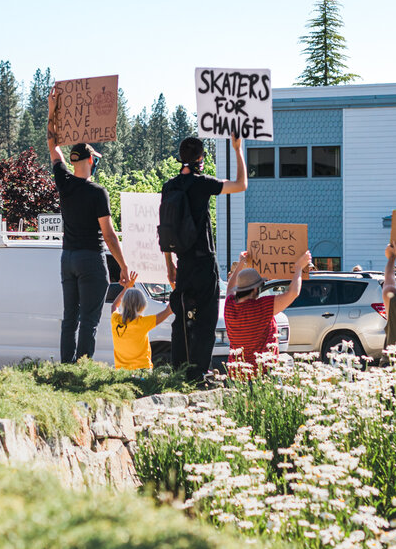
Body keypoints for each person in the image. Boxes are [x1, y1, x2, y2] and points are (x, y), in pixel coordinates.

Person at [46, 87, 128, 364]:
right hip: (91, 258)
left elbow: (52, 144)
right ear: (91, 160)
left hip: (67, 257)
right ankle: (81, 370)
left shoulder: (64, 182)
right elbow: (109, 233)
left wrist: (52, 109)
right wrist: (124, 265)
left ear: (73, 161)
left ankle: (65, 366)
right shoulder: (97, 192)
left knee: (70, 318)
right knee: (89, 320)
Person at [161, 136, 246, 381]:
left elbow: (165, 226)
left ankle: (179, 370)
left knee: (182, 315)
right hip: (203, 261)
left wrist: (170, 266)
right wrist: (237, 150)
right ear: (201, 158)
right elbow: (241, 184)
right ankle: (198, 372)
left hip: (182, 263)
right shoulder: (202, 183)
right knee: (206, 318)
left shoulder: (170, 186)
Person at [223, 249, 312, 379]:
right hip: (263, 373)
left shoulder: (229, 305)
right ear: (255, 288)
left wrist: (241, 263)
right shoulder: (261, 306)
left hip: (237, 374)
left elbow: (230, 287)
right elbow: (293, 293)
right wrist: (298, 267)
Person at [110, 271, 172, 370]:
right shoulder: (143, 323)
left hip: (121, 371)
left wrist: (126, 288)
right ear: (142, 305)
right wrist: (173, 285)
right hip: (142, 371)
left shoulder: (116, 319)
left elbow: (114, 306)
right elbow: (168, 311)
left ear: (124, 303)